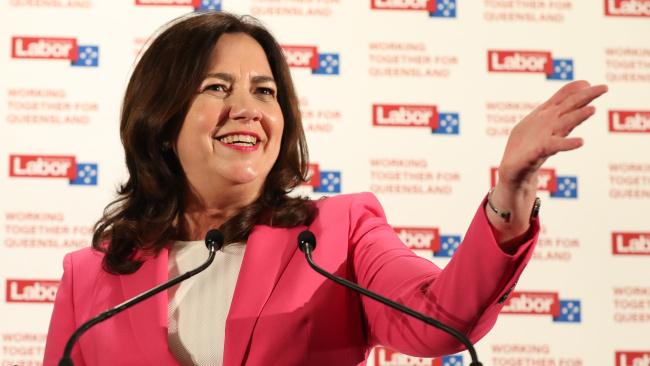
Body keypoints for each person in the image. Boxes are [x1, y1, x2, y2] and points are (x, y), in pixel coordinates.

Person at [42, 11, 607, 366]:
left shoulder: (337, 233)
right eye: (218, 87)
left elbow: (441, 317)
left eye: (265, 92)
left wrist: (510, 194)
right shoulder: (90, 278)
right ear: (161, 120)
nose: (247, 110)